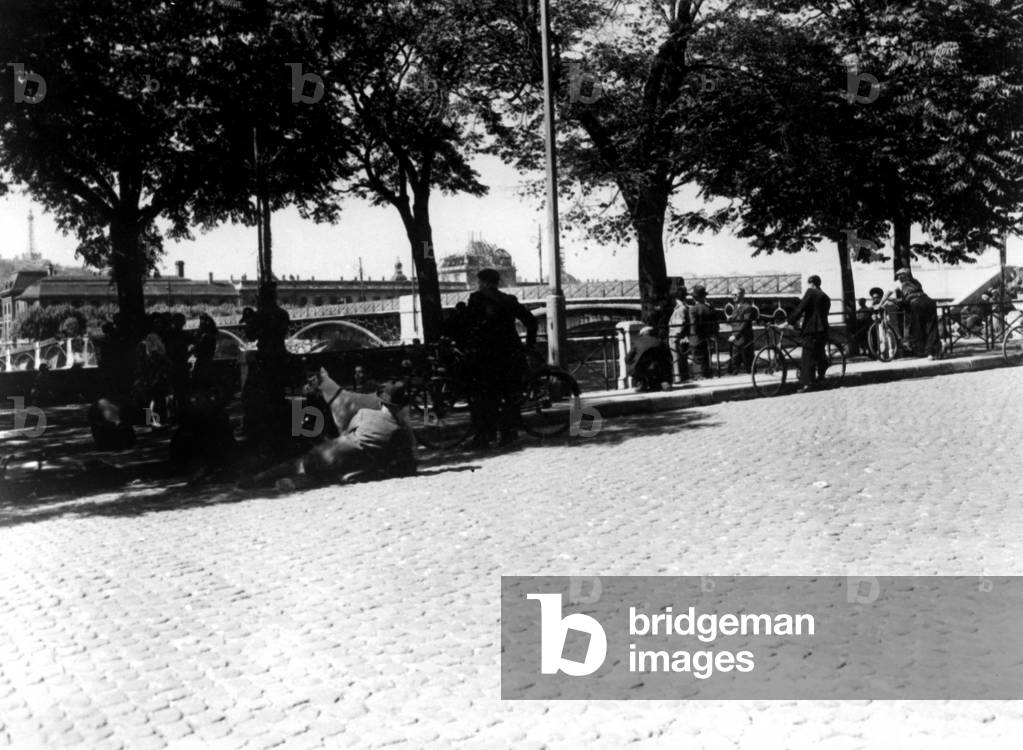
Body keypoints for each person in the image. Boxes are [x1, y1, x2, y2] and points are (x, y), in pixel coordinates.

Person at [240, 381, 417, 490]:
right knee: (324, 476)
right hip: (347, 464)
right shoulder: (398, 432)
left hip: (330, 449)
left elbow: (348, 432)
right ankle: (295, 483)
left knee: (300, 463)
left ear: (382, 402)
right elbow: (407, 467)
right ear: (401, 408)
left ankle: (256, 480)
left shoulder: (364, 413)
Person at [464, 268, 538, 449]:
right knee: (508, 395)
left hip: (486, 356)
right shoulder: (509, 300)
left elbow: (468, 326)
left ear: (484, 282)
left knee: (483, 397)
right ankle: (508, 434)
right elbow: (531, 322)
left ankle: (484, 436)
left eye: (479, 282)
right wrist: (528, 346)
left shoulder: (477, 299)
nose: (478, 285)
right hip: (510, 355)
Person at [786, 274, 830, 391]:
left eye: (809, 283)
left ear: (812, 284)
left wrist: (789, 322)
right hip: (823, 329)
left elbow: (801, 308)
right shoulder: (826, 297)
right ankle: (821, 378)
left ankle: (808, 384)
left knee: (807, 356)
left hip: (812, 330)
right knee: (819, 354)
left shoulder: (811, 292)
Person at [883, 268, 940, 359]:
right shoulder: (916, 282)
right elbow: (913, 295)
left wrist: (881, 303)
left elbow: (888, 293)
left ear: (901, 277)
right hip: (929, 301)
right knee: (931, 327)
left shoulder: (899, 283)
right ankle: (932, 352)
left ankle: (921, 352)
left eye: (899, 276)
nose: (899, 278)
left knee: (917, 328)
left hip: (916, 304)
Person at [625, 326, 672, 392]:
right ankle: (662, 383)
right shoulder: (659, 341)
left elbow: (628, 358)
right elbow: (668, 356)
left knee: (636, 368)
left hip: (640, 368)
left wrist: (630, 363)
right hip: (658, 369)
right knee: (661, 365)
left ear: (642, 334)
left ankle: (642, 384)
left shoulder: (636, 341)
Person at [689, 285, 719, 379]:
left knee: (697, 358)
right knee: (707, 357)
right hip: (708, 337)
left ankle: (699, 376)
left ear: (694, 297)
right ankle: (707, 375)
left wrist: (690, 336)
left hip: (697, 338)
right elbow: (716, 325)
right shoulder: (710, 308)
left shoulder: (693, 309)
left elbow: (693, 325)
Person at [726, 288, 756, 375]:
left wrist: (735, 336)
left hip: (744, 339)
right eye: (732, 295)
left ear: (742, 295)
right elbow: (736, 321)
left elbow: (745, 324)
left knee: (748, 363)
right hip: (736, 340)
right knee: (734, 363)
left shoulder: (747, 307)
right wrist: (730, 319)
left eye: (736, 294)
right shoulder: (735, 306)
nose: (733, 297)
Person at [667, 290, 691, 383]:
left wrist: (675, 335)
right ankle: (681, 377)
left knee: (676, 358)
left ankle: (678, 378)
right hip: (679, 337)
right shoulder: (684, 307)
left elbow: (680, 324)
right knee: (679, 358)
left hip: (675, 337)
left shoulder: (680, 309)